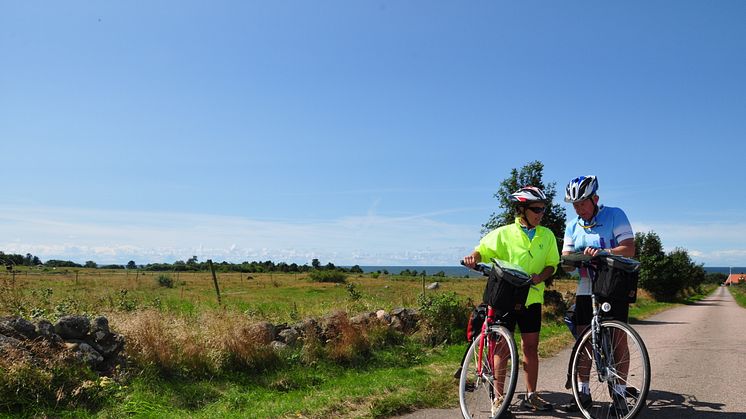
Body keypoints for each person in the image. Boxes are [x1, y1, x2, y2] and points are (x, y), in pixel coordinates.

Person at [463, 186, 559, 417]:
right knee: (502, 349)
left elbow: (552, 264)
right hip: (505, 297)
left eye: (543, 209)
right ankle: (499, 398)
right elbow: (481, 251)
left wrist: (541, 276)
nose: (540, 213)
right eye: (536, 209)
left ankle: (531, 395)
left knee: (531, 347)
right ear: (522, 209)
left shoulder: (547, 235)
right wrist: (472, 259)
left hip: (532, 297)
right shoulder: (503, 233)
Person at [559, 175, 636, 412]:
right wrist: (572, 260)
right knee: (585, 340)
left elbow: (629, 248)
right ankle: (583, 391)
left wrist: (602, 252)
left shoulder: (615, 215)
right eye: (575, 205)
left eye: (582, 202)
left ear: (595, 199)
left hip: (613, 286)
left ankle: (620, 393)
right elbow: (566, 260)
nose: (579, 208)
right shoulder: (573, 226)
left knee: (617, 338)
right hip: (586, 288)